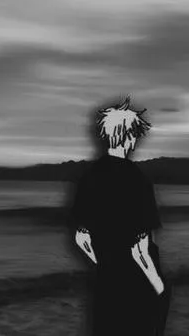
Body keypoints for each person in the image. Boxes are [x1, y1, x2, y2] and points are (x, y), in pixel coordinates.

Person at [70, 96, 170, 336]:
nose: (135, 141)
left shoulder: (89, 178)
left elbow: (81, 238)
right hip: (135, 286)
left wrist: (106, 265)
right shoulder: (137, 181)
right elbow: (140, 249)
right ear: (128, 136)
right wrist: (159, 286)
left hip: (105, 284)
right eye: (134, 134)